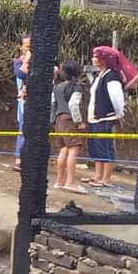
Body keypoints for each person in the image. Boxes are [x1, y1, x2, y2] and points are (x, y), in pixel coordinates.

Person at [86, 46, 127, 188]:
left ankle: (106, 178)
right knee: (97, 147)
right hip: (96, 117)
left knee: (106, 148)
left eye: (96, 56)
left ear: (104, 60)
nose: (93, 59)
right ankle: (98, 176)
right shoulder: (100, 76)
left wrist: (119, 114)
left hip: (106, 118)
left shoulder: (112, 76)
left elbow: (117, 98)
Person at [51, 60, 87, 193]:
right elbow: (73, 105)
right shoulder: (76, 87)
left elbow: (53, 105)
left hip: (59, 119)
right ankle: (70, 182)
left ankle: (59, 181)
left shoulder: (57, 87)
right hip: (69, 120)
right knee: (73, 149)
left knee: (63, 149)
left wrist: (53, 120)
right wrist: (78, 122)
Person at [12, 34, 31, 172]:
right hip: (24, 102)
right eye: (28, 46)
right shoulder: (18, 62)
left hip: (38, 101)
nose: (30, 49)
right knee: (23, 129)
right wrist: (27, 59)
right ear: (21, 47)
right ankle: (18, 159)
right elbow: (21, 74)